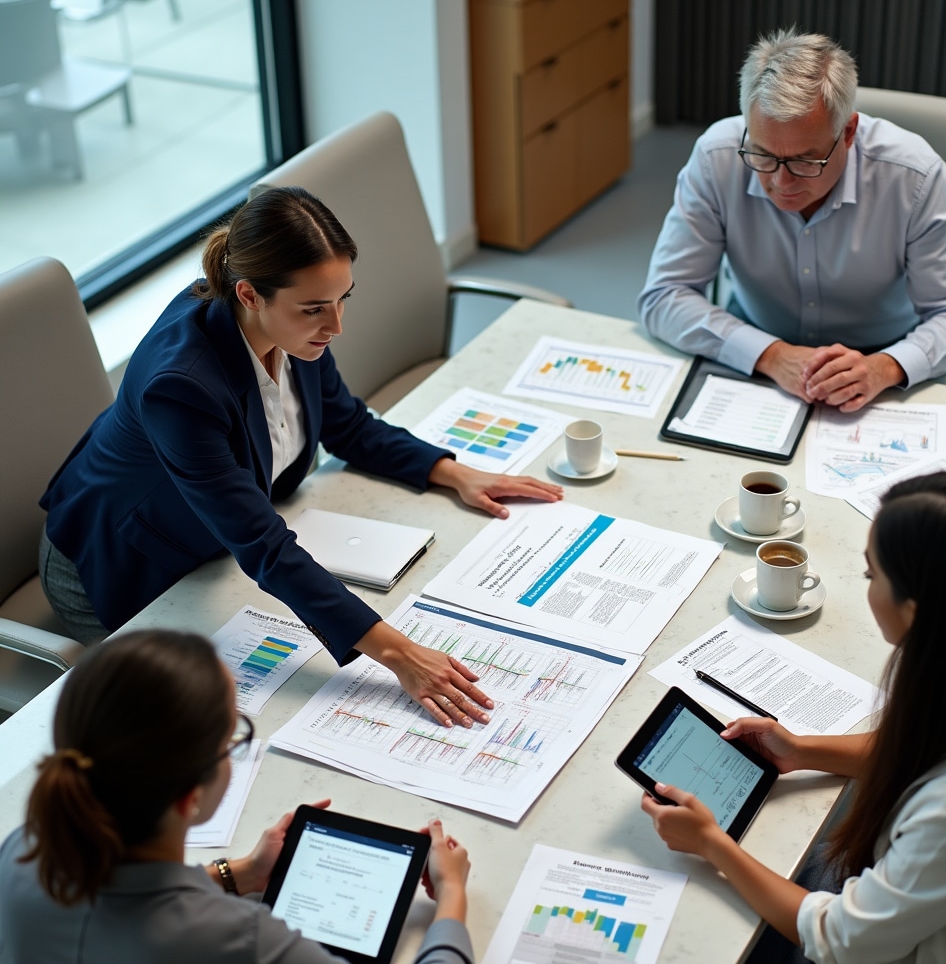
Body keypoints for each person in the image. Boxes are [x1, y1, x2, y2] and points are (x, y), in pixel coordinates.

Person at [38, 186, 563, 728]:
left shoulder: (293, 332)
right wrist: (400, 655)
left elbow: (348, 425)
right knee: (199, 723)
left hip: (217, 545)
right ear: (249, 295)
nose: (336, 326)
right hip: (124, 565)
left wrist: (454, 474)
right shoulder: (181, 386)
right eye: (315, 308)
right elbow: (263, 546)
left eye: (343, 300)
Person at [641, 472, 946, 964]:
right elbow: (933, 746)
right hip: (897, 912)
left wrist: (711, 845)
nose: (864, 583)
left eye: (872, 573)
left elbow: (842, 944)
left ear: (914, 609)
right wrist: (803, 751)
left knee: (676, 957)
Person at [0, 629, 475, 964]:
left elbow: (118, 897)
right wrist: (451, 893)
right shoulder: (234, 941)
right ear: (190, 798)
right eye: (234, 736)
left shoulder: (23, 850)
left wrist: (240, 875)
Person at [638, 29, 946, 413]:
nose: (781, 182)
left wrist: (884, 368)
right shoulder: (716, 157)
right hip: (753, 348)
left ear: (848, 132)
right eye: (763, 155)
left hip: (880, 366)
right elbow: (663, 296)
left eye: (806, 160)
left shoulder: (912, 175)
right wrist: (771, 355)